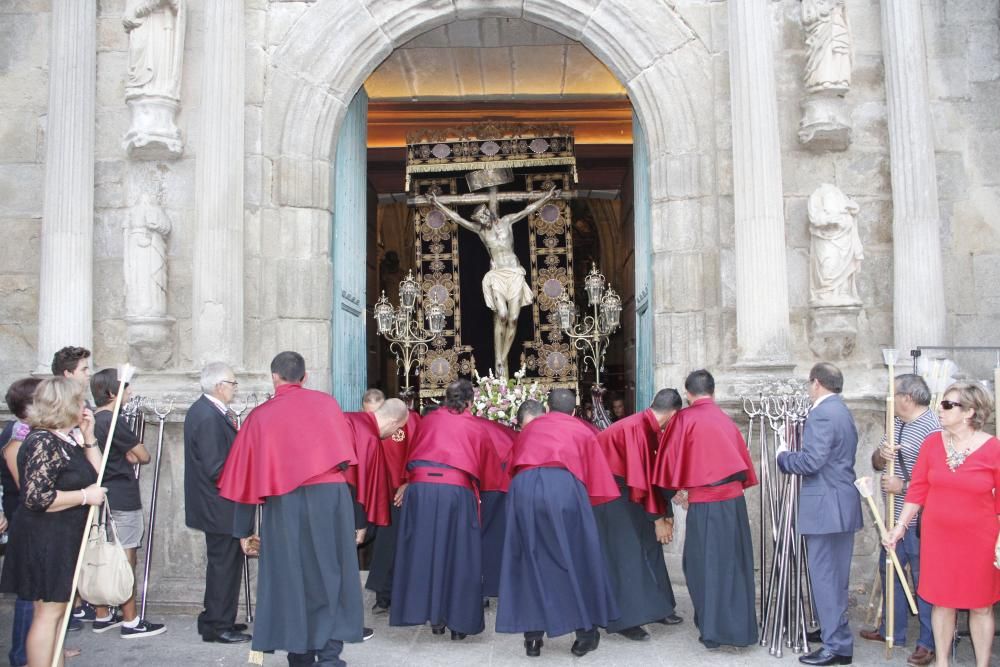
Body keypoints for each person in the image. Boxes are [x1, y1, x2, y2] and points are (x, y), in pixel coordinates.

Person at [218, 352, 389, 666]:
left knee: (290, 575)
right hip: (332, 499)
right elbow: (348, 465)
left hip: (286, 502)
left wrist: (243, 530)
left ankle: (299, 653)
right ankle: (329, 656)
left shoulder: (260, 416)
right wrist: (356, 514)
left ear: (274, 377)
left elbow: (246, 477)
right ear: (305, 376)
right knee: (330, 572)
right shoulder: (326, 404)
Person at [496, 391, 619, 658]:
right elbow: (597, 475)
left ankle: (532, 638)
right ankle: (585, 635)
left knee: (530, 558)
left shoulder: (530, 428)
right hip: (562, 487)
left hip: (524, 488)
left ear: (548, 408)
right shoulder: (582, 429)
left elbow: (511, 465)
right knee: (576, 556)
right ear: (574, 411)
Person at [885, 381, 1000, 667]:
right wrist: (900, 526)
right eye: (942, 403)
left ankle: (982, 664)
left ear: (969, 412)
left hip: (980, 539)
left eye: (948, 404)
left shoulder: (993, 448)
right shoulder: (933, 443)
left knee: (981, 605)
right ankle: (943, 662)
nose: (941, 409)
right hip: (938, 538)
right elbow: (918, 490)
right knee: (941, 601)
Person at [0, 378, 108, 667]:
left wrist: (90, 438)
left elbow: (98, 475)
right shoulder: (42, 441)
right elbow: (36, 498)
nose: (86, 405)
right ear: (65, 405)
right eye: (80, 399)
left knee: (58, 616)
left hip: (62, 536)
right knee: (48, 615)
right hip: (45, 539)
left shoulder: (64, 439)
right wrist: (85, 496)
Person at [390, 379, 508, 640]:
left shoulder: (428, 421)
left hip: (420, 492)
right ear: (469, 401)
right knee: (459, 555)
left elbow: (411, 455)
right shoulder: (474, 426)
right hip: (455, 493)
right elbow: (489, 473)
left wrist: (406, 483)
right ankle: (458, 624)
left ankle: (434, 619)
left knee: (425, 552)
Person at [652, 369, 758, 650]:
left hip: (706, 505)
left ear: (688, 394)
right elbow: (743, 468)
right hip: (733, 504)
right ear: (714, 391)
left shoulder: (684, 419)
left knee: (703, 566)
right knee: (734, 564)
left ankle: (713, 631)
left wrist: (678, 492)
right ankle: (741, 629)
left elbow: (668, 463)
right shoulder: (726, 420)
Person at [776, 362, 863, 666]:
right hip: (839, 503)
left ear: (816, 383)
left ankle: (836, 646)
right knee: (834, 577)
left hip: (827, 506)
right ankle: (834, 632)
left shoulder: (823, 412)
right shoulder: (841, 410)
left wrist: (783, 456)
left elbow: (812, 462)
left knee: (826, 577)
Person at [426, 186, 559, 377]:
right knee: (502, 315)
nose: (481, 221)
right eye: (478, 219)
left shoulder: (507, 221)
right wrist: (437, 203)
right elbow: (457, 219)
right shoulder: (481, 232)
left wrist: (547, 196)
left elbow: (528, 210)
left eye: (482, 217)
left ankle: (502, 358)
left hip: (514, 272)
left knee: (513, 319)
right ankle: (498, 360)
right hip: (496, 274)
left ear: (488, 213)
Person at [859, 374, 938, 666]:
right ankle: (892, 630)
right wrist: (882, 455)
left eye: (893, 394)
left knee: (924, 582)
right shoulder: (895, 424)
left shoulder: (933, 429)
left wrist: (901, 487)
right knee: (890, 572)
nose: (888, 399)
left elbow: (937, 479)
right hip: (893, 519)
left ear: (907, 397)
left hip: (920, 521)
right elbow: (877, 463)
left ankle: (928, 643)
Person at [593, 388, 684, 642]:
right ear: (674, 414)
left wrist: (667, 504)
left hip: (628, 490)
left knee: (650, 545)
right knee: (626, 553)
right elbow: (640, 480)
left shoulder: (647, 425)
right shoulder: (637, 429)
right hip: (608, 493)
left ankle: (659, 606)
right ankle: (625, 620)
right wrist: (658, 519)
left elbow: (651, 475)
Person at [86, 369, 166, 638]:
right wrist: (133, 453)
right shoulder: (112, 420)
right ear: (111, 393)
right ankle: (131, 619)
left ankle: (102, 613)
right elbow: (142, 455)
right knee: (124, 557)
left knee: (101, 554)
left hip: (102, 496)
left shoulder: (94, 419)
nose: (129, 393)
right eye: (125, 388)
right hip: (121, 495)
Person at [182, 362, 251, 645]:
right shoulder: (208, 416)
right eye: (233, 383)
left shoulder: (207, 411)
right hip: (218, 505)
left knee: (224, 564)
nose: (235, 388)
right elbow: (216, 468)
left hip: (216, 504)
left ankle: (217, 618)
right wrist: (245, 478)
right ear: (219, 386)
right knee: (224, 565)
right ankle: (217, 625)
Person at [360, 389, 421, 614]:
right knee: (373, 540)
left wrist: (409, 483)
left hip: (397, 494)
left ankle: (386, 596)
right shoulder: (361, 425)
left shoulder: (409, 422)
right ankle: (383, 594)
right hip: (372, 493)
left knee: (391, 543)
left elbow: (419, 453)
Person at [2, 377, 42, 667]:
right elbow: (30, 491)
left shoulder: (34, 434)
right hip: (27, 521)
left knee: (42, 595)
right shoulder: (17, 437)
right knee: (30, 594)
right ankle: (22, 656)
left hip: (37, 521)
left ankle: (41, 648)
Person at [478, 417, 516, 601]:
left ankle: (486, 587)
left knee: (486, 533)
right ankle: (495, 584)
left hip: (493, 477)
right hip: (502, 477)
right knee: (495, 533)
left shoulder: (464, 422)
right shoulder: (480, 422)